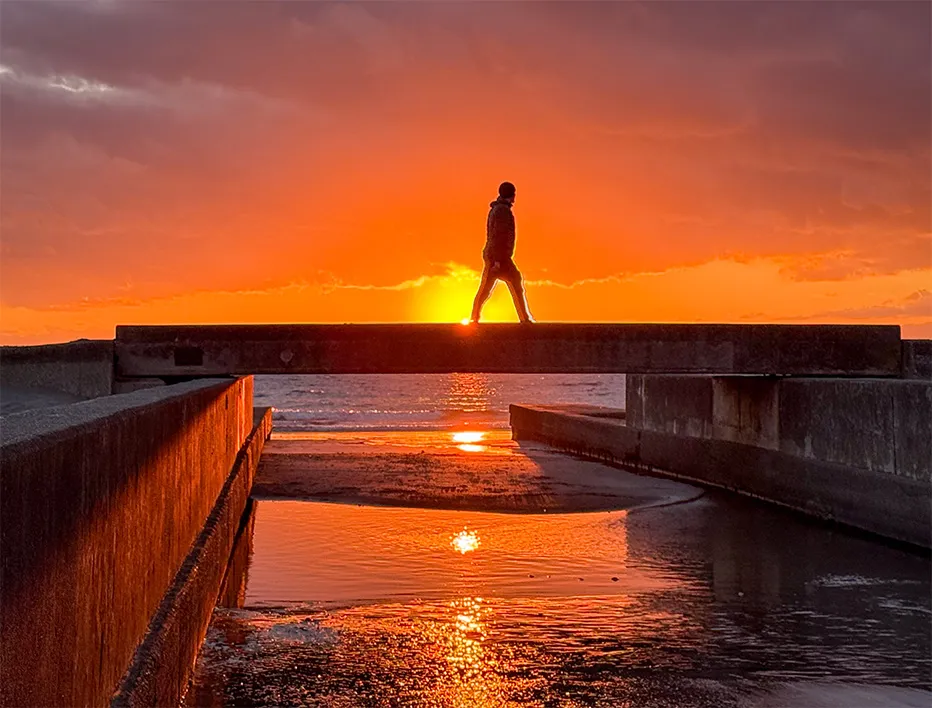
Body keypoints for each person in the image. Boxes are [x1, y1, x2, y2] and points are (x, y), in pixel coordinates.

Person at [470, 181, 534, 323]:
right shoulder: (502, 211)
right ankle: (524, 318)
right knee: (511, 282)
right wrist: (497, 261)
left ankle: (475, 316)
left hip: (496, 255)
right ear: (511, 195)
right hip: (499, 256)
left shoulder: (498, 209)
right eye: (514, 194)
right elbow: (499, 235)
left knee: (487, 287)